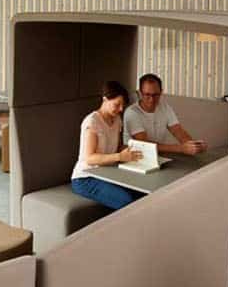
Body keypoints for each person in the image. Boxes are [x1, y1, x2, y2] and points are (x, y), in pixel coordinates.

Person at [70, 80, 143, 210]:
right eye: (117, 104)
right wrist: (120, 157)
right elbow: (90, 158)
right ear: (105, 99)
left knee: (141, 194)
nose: (121, 109)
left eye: (123, 105)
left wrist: (136, 149)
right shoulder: (92, 122)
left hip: (107, 173)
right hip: (86, 178)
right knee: (127, 201)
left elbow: (118, 148)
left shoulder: (117, 120)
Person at [123, 73, 208, 156]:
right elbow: (145, 144)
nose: (151, 99)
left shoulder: (165, 108)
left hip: (158, 157)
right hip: (135, 159)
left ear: (161, 92)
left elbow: (178, 131)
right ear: (140, 93)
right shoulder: (132, 112)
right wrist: (181, 148)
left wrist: (193, 145)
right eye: (147, 95)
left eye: (155, 95)